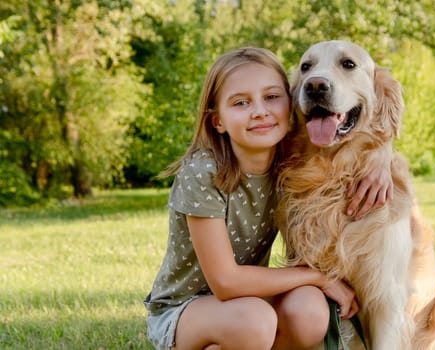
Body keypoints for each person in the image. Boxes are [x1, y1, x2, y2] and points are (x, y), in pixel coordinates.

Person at [144, 47, 393, 350]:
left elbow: (360, 139)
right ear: (217, 120)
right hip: (186, 309)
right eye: (240, 103)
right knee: (255, 321)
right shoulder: (202, 172)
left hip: (248, 301)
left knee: (311, 310)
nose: (260, 111)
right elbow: (226, 282)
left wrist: (384, 154)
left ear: (291, 103)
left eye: (272, 97)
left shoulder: (288, 162)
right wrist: (320, 277)